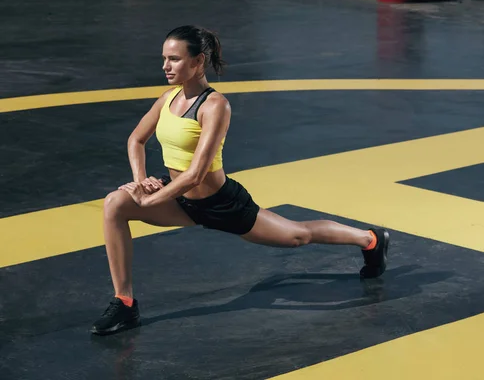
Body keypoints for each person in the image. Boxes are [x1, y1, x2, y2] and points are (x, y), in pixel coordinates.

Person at [91, 25, 390, 336]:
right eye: (164, 58)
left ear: (198, 62)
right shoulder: (168, 98)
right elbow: (136, 140)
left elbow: (195, 174)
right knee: (115, 204)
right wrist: (141, 184)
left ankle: (370, 239)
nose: (165, 66)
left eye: (175, 59)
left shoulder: (215, 105)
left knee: (296, 236)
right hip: (178, 199)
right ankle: (124, 304)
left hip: (220, 203)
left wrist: (149, 200)